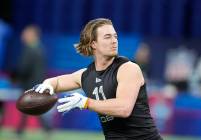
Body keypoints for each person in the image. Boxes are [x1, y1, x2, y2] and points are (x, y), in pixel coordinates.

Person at [34, 18, 162, 140]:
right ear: (93, 43)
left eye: (115, 36)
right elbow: (57, 82)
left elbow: (124, 108)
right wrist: (48, 84)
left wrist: (85, 103)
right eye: (107, 37)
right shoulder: (86, 75)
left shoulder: (128, 69)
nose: (114, 41)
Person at [16, 25, 53, 139]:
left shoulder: (30, 49)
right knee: (32, 108)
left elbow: (24, 68)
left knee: (30, 107)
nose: (23, 36)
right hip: (37, 84)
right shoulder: (40, 48)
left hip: (30, 84)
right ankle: (21, 130)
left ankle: (46, 129)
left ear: (32, 35)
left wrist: (16, 77)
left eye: (25, 33)